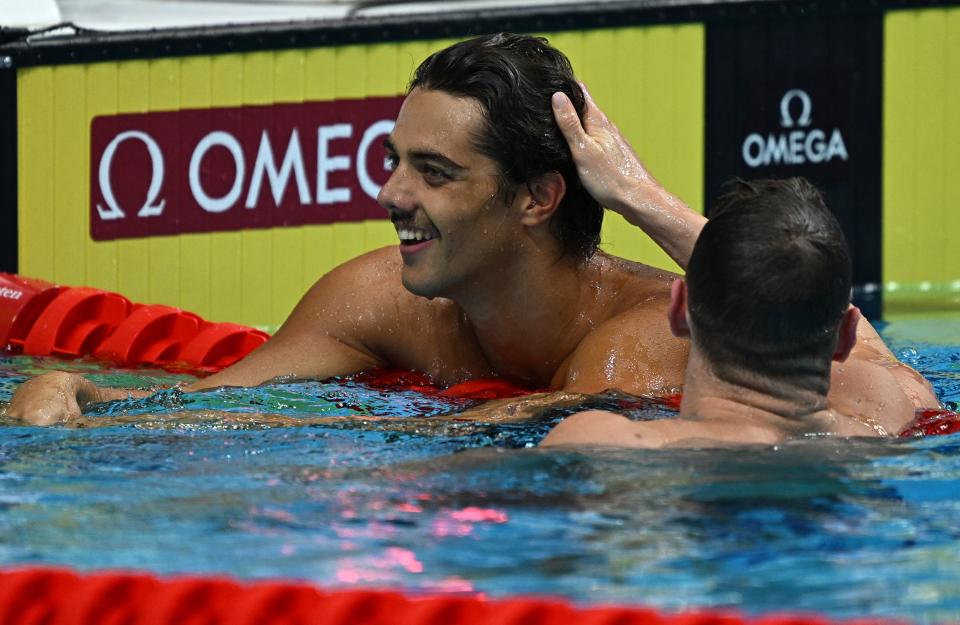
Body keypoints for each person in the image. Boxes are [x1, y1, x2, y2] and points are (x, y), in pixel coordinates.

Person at [7, 33, 699, 426]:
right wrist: (82, 395)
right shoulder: (382, 299)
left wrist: (639, 197)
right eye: (394, 162)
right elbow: (212, 407)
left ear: (538, 197)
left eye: (434, 172)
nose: (390, 193)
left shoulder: (647, 335)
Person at [541, 178, 937, 448]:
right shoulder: (886, 415)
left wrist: (633, 192)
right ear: (847, 333)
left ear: (679, 310)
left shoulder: (602, 444)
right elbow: (878, 361)